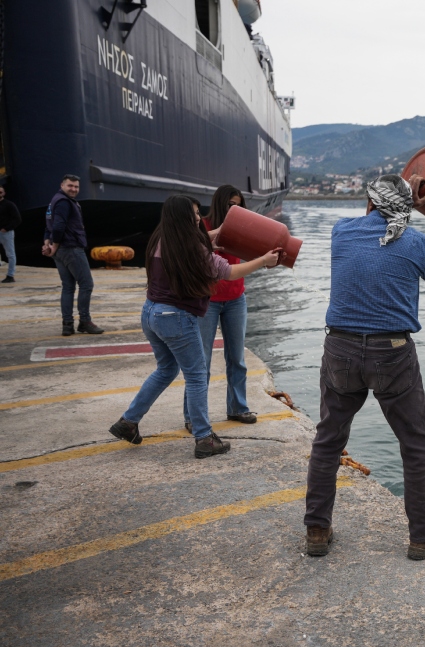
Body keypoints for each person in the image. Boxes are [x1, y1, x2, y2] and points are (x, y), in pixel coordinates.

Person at [304, 174, 425, 560]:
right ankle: (423, 536)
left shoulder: (341, 233)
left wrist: (407, 202)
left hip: (340, 348)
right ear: (406, 207)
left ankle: (317, 531)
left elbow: (383, 223)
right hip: (393, 354)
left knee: (328, 442)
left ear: (369, 202)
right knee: (417, 447)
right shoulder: (418, 243)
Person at [108, 195, 280, 458]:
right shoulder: (192, 248)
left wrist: (220, 231)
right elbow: (230, 272)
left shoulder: (162, 237)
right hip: (175, 316)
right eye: (195, 214)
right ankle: (204, 438)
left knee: (166, 370)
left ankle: (128, 422)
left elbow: (197, 240)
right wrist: (264, 261)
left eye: (199, 213)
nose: (199, 219)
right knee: (198, 376)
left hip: (151, 313)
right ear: (182, 218)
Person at [181, 186, 257, 431]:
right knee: (200, 362)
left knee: (237, 358)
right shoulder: (201, 225)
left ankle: (238, 408)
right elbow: (188, 247)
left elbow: (256, 250)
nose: (235, 208)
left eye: (239, 204)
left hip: (236, 298)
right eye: (230, 204)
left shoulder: (244, 226)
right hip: (207, 300)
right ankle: (193, 417)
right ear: (219, 203)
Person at [43, 174, 103, 335]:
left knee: (68, 287)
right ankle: (84, 321)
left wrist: (47, 243)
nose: (74, 189)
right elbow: (58, 226)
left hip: (61, 251)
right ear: (62, 185)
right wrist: (54, 245)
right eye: (70, 185)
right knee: (86, 284)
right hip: (70, 248)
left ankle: (67, 325)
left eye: (76, 186)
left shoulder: (54, 200)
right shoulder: (64, 202)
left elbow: (48, 225)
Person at [0, 185, 20, 283]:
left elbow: (17, 219)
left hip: (6, 233)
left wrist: (6, 228)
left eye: (0, 192)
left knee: (10, 254)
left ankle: (10, 275)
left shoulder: (9, 205)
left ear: (4, 193)